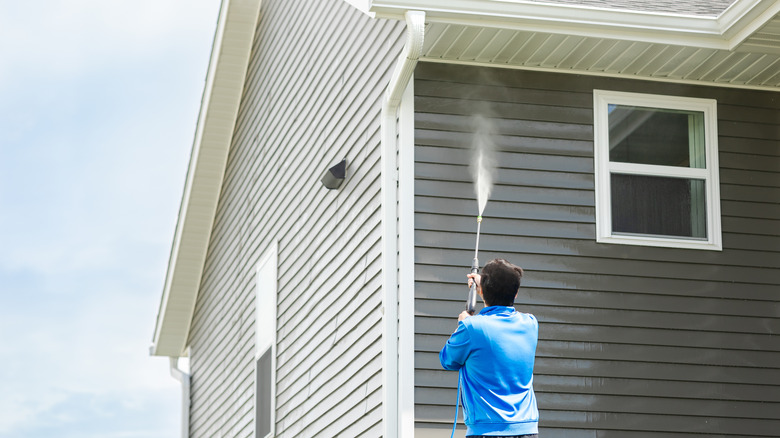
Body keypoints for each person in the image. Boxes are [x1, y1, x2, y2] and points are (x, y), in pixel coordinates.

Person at [439, 258, 539, 437]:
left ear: (483, 290)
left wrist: (461, 324)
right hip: (527, 430)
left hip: (487, 431)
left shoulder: (471, 328)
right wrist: (485, 287)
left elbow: (447, 360)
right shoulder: (530, 323)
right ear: (515, 294)